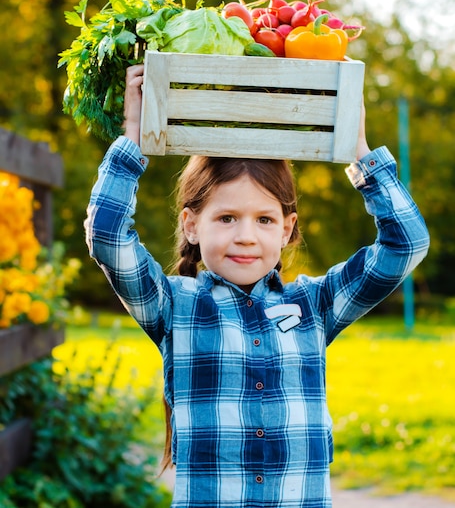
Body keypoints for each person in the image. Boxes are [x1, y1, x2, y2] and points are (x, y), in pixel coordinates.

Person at [84, 63, 429, 508]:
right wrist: (134, 135)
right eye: (227, 218)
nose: (246, 235)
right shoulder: (174, 305)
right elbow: (108, 235)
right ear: (191, 225)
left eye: (264, 220)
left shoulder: (315, 304)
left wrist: (358, 150)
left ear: (287, 230)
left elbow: (407, 243)